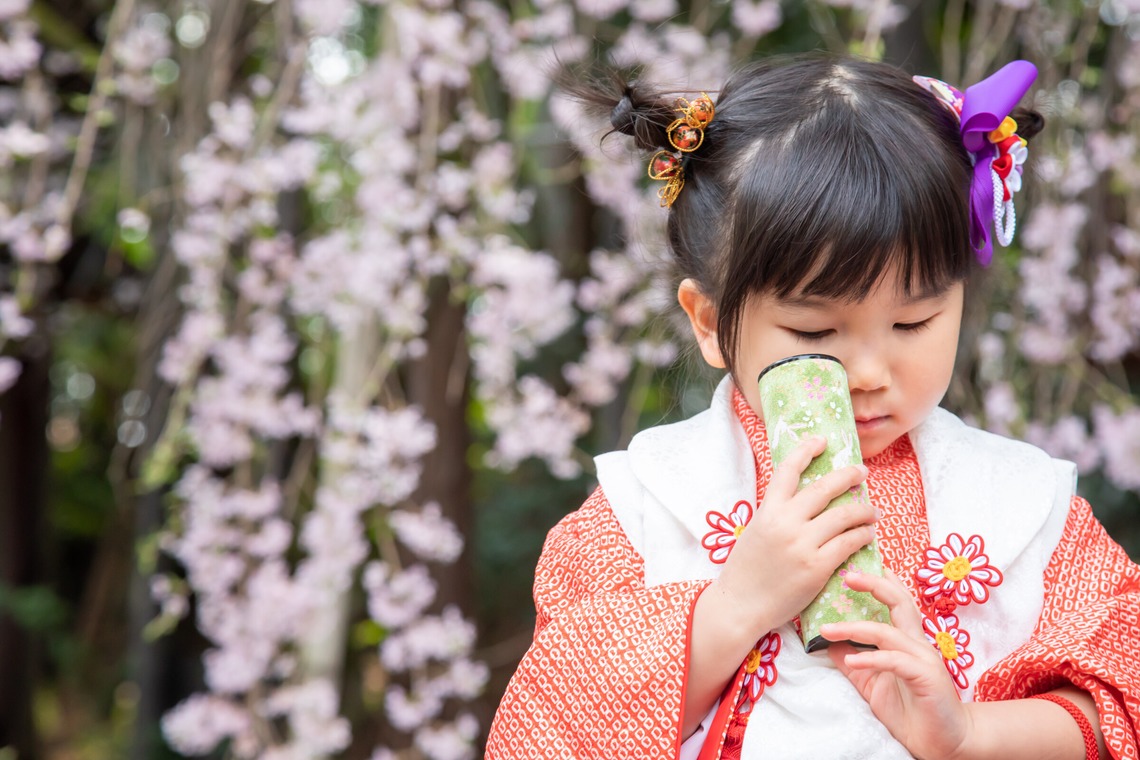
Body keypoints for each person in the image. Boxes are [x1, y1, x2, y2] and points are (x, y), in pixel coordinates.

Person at [485, 54, 1140, 760]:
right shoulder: (644, 507)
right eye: (813, 331)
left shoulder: (1023, 505)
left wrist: (972, 734)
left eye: (913, 322)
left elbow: (1118, 692)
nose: (866, 371)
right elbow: (553, 729)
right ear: (708, 322)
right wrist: (733, 606)